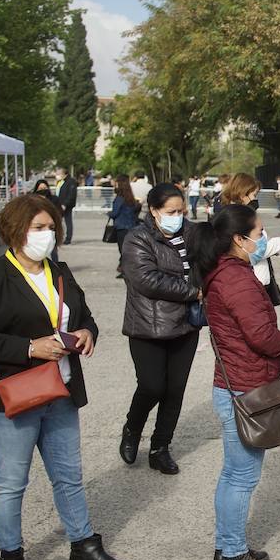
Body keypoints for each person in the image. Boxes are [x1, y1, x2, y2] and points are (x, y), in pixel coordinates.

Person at [0, 193, 133, 560]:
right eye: (38, 228)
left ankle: (83, 546)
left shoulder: (60, 271)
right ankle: (11, 558)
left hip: (61, 392)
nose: (47, 234)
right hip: (12, 397)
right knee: (11, 482)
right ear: (15, 232)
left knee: (69, 477)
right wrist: (29, 348)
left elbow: (83, 315)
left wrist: (89, 332)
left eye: (51, 227)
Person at [188, 205, 280, 560]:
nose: (263, 238)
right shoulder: (234, 279)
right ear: (239, 239)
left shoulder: (226, 273)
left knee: (234, 472)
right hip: (244, 387)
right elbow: (262, 336)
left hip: (238, 381)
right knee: (242, 477)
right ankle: (232, 554)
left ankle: (229, 542)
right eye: (258, 232)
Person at [119, 183, 202, 476]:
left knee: (175, 391)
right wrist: (193, 291)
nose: (177, 216)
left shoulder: (193, 235)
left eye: (181, 211)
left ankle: (160, 448)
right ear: (154, 211)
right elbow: (147, 280)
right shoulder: (137, 239)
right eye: (171, 211)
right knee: (153, 386)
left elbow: (212, 262)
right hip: (148, 326)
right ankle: (132, 429)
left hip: (186, 325)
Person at [108, 176, 143, 278]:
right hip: (131, 226)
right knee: (128, 249)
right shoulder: (130, 197)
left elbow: (115, 213)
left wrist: (109, 213)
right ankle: (125, 268)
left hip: (121, 227)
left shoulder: (119, 198)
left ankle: (125, 270)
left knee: (122, 250)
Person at [57, 172, 79, 245]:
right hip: (61, 204)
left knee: (68, 221)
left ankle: (68, 238)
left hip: (66, 205)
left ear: (65, 174)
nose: (58, 175)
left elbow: (71, 194)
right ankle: (59, 237)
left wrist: (65, 204)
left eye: (59, 173)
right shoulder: (64, 182)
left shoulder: (71, 182)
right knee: (58, 221)